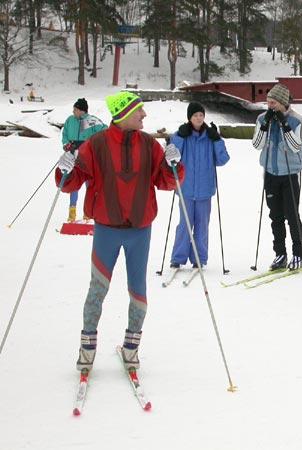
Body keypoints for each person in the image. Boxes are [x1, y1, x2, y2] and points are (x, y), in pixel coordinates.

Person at [55, 91, 184, 372]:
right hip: (106, 229)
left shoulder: (149, 144)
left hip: (140, 229)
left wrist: (174, 165)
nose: (144, 115)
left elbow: (165, 181)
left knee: (138, 290)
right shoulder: (97, 144)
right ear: (124, 114)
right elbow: (72, 182)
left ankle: (131, 348)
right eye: (139, 110)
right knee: (97, 289)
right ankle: (87, 348)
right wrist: (64, 170)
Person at [251, 83, 302, 271]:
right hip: (270, 174)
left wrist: (284, 125)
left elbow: (295, 147)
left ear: (283, 103)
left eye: (273, 102)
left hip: (290, 174)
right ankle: (280, 253)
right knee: (275, 215)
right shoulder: (262, 118)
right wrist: (265, 125)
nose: (270, 106)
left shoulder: (297, 121)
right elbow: (257, 144)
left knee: (292, 215)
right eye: (268, 102)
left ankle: (298, 252)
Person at [169, 102, 230, 269]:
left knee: (202, 226)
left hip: (204, 189)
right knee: (185, 224)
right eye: (195, 115)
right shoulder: (181, 135)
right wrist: (180, 137)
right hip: (185, 189)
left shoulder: (210, 137)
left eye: (201, 115)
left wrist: (217, 139)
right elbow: (172, 159)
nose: (198, 118)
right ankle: (178, 258)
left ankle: (199, 258)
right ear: (189, 117)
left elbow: (223, 160)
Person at [61, 98, 107, 222]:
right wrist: (66, 144)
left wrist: (95, 145)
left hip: (88, 158)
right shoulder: (70, 120)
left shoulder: (92, 121)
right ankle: (72, 212)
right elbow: (64, 134)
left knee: (89, 185)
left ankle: (87, 213)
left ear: (82, 110)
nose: (73, 111)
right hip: (73, 156)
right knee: (74, 184)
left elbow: (105, 132)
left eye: (75, 109)